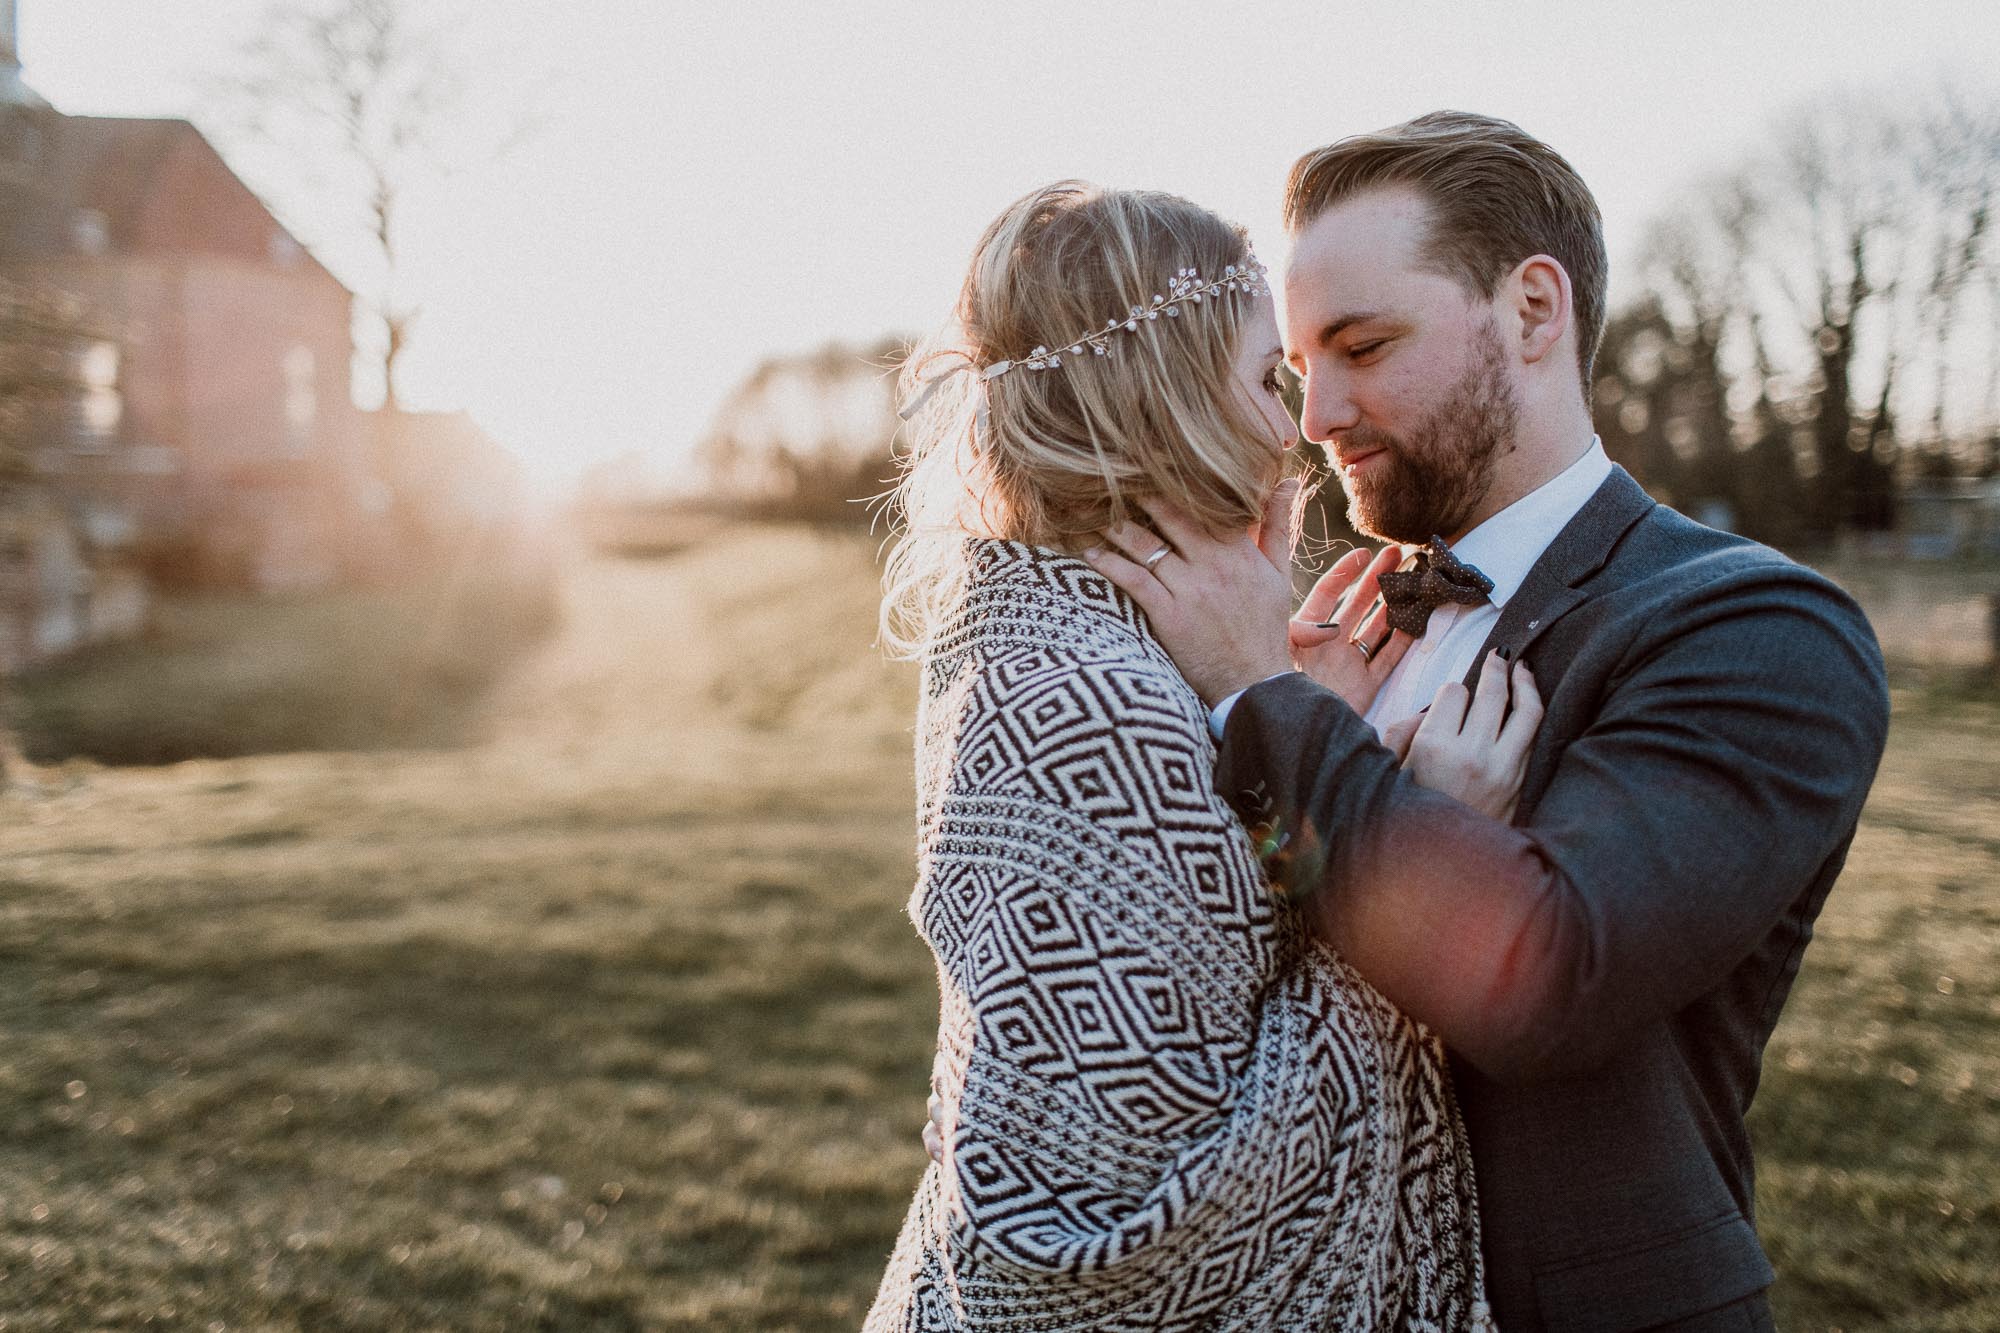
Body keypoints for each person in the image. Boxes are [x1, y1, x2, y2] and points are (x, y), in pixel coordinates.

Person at [1084, 112, 1891, 1332]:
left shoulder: (1758, 630)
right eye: (1301, 369)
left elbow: (1549, 974)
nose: (1315, 417)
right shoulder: (1339, 629)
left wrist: (1265, 701)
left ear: (1529, 311)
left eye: (1362, 345)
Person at [864, 181, 1526, 1329]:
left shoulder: (1053, 620)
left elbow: (1220, 954)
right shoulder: (1090, 700)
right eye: (1263, 379)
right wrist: (1424, 833)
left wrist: (1287, 717)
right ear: (1161, 391)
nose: (1293, 431)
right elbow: (1128, 1236)